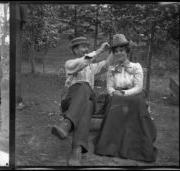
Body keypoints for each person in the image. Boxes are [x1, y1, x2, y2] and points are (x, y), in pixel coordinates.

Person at [94, 34, 158, 162]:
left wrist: (123, 93)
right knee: (114, 101)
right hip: (115, 97)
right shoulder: (112, 68)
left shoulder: (136, 66)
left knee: (136, 102)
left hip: (132, 96)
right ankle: (110, 146)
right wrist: (115, 93)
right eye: (116, 51)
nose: (118, 53)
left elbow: (138, 87)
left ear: (127, 51)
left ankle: (136, 145)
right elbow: (110, 88)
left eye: (121, 50)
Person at [51, 36, 111, 166]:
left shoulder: (92, 68)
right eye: (83, 47)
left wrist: (113, 50)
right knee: (87, 102)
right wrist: (99, 51)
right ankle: (76, 149)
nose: (86, 49)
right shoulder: (70, 64)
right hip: (70, 100)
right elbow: (83, 62)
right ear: (75, 50)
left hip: (87, 97)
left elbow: (107, 64)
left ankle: (66, 124)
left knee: (86, 88)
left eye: (87, 47)